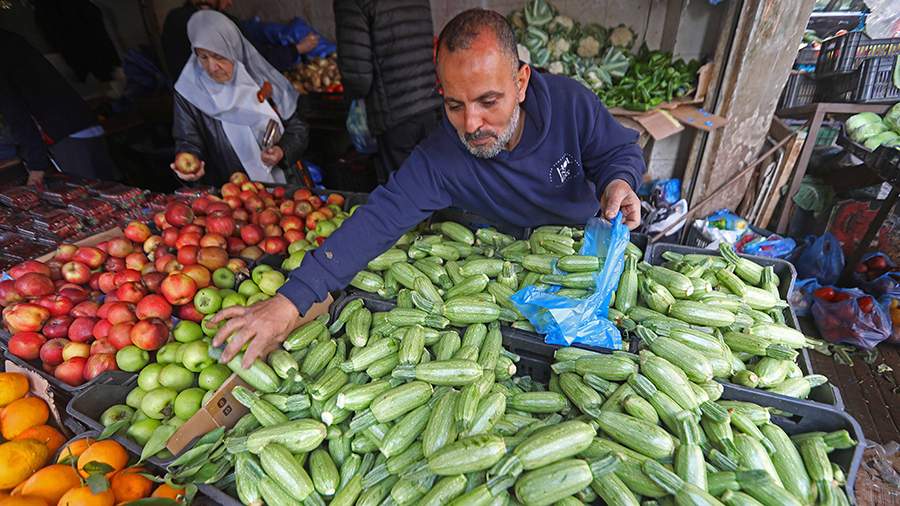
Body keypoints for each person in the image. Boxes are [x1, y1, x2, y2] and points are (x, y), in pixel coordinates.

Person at [212, 8, 645, 366]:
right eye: (455, 105)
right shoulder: (440, 156)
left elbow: (616, 151)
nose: (472, 124)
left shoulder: (570, 103)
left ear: (521, 82)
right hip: (506, 273)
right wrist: (288, 303)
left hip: (580, 261)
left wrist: (619, 182)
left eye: (488, 101)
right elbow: (379, 219)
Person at [171, 10, 310, 186]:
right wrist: (191, 164)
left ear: (233, 49)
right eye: (203, 57)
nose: (212, 67)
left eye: (218, 56)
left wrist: (283, 151)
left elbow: (298, 128)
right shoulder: (189, 92)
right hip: (232, 194)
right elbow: (188, 141)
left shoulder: (261, 80)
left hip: (286, 186)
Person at [333, 0, 443, 181]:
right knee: (431, 182)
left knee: (401, 191)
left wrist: (353, 103)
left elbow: (358, 76)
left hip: (394, 114)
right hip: (429, 105)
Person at [0, 29, 117, 185]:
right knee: (112, 193)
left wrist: (36, 165)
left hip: (66, 134)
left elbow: (16, 113)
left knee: (90, 196)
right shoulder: (10, 39)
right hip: (82, 122)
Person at [161, 0, 321, 78]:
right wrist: (298, 49)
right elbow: (256, 59)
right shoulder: (214, 23)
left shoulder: (174, 18)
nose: (230, 2)